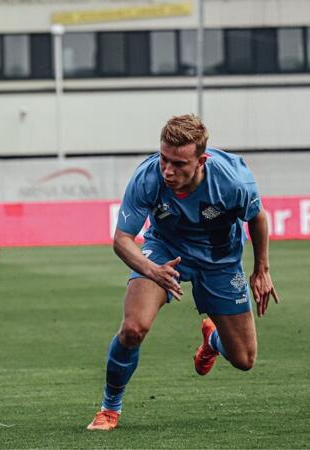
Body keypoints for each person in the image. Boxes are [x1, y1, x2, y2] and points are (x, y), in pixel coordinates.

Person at [86, 114, 279, 431]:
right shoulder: (148, 177)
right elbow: (122, 240)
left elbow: (256, 217)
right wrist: (152, 269)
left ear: (201, 160)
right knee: (134, 328)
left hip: (220, 259)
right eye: (164, 159)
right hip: (165, 251)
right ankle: (110, 408)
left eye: (178, 163)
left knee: (244, 359)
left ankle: (212, 341)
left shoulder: (232, 180)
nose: (167, 170)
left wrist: (262, 269)